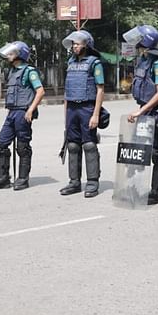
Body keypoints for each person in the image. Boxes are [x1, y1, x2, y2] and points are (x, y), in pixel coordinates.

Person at [0, 41, 44, 190]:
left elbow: (40, 91)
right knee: (0, 146)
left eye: (11, 53)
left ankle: (23, 179)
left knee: (22, 147)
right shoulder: (12, 71)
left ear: (20, 55)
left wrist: (31, 110)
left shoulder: (29, 72)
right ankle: (4, 178)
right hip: (12, 112)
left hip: (23, 112)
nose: (8, 56)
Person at [123, 24, 158, 204]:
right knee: (138, 151)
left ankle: (157, 191)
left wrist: (141, 111)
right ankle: (133, 188)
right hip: (142, 111)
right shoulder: (143, 60)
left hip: (154, 113)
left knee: (157, 152)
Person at [59, 30, 105, 198]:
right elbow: (67, 90)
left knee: (89, 145)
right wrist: (66, 116)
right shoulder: (70, 62)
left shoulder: (94, 63)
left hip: (87, 107)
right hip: (72, 108)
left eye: (78, 43)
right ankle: (74, 182)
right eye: (73, 44)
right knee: (72, 145)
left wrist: (95, 114)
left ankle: (92, 182)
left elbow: (100, 90)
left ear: (86, 45)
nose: (75, 46)